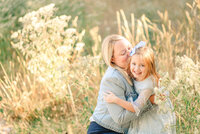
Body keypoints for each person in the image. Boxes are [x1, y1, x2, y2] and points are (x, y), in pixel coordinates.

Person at [87, 35, 155, 134]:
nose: (130, 53)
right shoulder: (112, 79)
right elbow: (120, 118)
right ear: (112, 59)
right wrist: (148, 102)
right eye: (123, 53)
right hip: (105, 130)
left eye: (129, 48)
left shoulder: (134, 69)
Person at [104, 43, 176, 134]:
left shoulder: (148, 87)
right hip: (145, 114)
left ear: (150, 67)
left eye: (142, 65)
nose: (137, 69)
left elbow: (136, 108)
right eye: (134, 64)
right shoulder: (136, 74)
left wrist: (116, 100)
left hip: (153, 120)